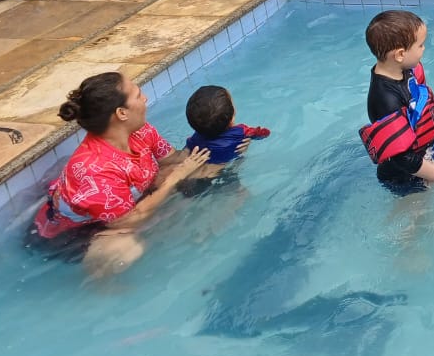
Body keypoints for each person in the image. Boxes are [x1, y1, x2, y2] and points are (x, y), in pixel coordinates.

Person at [32, 72, 211, 275]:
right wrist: (175, 179)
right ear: (121, 113)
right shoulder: (95, 170)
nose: (145, 98)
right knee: (126, 250)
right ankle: (101, 291)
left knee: (189, 173)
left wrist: (220, 142)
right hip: (71, 234)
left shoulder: (140, 132)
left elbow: (173, 160)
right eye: (137, 95)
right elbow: (129, 220)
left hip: (119, 204)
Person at [362, 10, 434, 189]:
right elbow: (400, 156)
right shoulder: (385, 100)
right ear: (400, 54)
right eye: (420, 45)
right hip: (403, 175)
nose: (424, 49)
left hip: (419, 157)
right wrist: (433, 172)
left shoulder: (402, 70)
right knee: (419, 210)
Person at [184, 85, 270, 168]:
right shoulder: (241, 132)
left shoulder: (197, 135)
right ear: (233, 115)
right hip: (226, 168)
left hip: (207, 170)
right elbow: (261, 134)